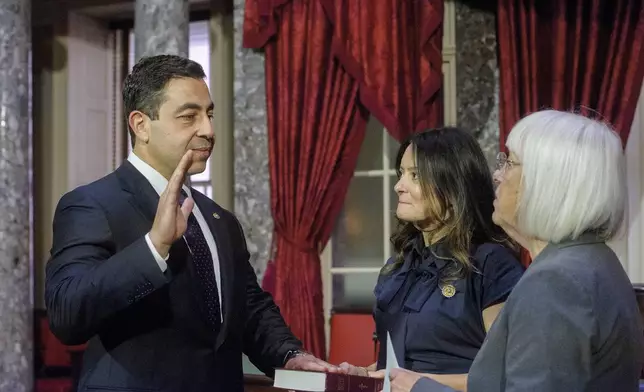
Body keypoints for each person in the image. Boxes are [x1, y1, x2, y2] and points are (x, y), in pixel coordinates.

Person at [45, 55, 336, 392]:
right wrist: (154, 247)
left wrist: (289, 354)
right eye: (189, 117)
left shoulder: (219, 219)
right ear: (141, 125)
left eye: (209, 114)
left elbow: (249, 307)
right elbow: (66, 315)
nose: (208, 130)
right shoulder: (91, 204)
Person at [387, 110, 644, 392]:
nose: (497, 175)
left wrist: (420, 389)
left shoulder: (556, 282)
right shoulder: (592, 261)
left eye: (509, 163)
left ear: (546, 183)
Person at [340, 128, 524, 391]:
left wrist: (420, 384)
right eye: (401, 174)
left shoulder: (492, 264)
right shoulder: (398, 268)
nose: (398, 186)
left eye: (415, 175)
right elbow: (401, 366)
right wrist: (363, 374)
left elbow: (507, 375)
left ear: (452, 186)